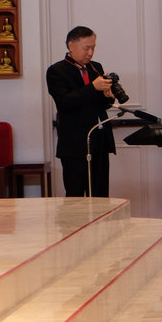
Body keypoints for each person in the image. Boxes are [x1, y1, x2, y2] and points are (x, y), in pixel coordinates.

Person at [46, 26, 117, 197]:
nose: (90, 53)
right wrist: (93, 87)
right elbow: (65, 102)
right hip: (75, 144)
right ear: (71, 45)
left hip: (99, 140)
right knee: (75, 197)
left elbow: (99, 104)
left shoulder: (95, 67)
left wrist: (108, 96)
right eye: (86, 48)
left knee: (100, 196)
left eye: (93, 47)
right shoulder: (57, 71)